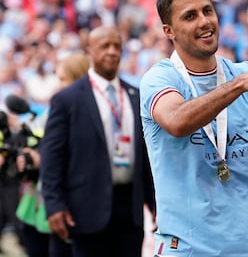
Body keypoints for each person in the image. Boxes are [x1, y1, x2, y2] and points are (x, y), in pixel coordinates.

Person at [140, 0, 248, 257]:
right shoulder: (160, 79)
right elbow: (177, 121)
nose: (204, 21)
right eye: (190, 16)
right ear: (168, 30)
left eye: (208, 11)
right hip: (189, 251)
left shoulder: (244, 71)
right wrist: (239, 85)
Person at [40, 26, 156, 257]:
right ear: (89, 52)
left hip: (130, 210)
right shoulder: (68, 99)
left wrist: (154, 203)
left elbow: (146, 156)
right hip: (86, 208)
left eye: (117, 47)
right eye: (105, 46)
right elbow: (52, 156)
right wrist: (54, 205)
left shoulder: (135, 95)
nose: (112, 52)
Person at [15, 52, 90, 257]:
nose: (57, 86)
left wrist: (43, 159)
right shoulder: (53, 109)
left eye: (62, 79)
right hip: (36, 201)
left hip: (64, 204)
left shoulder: (86, 114)